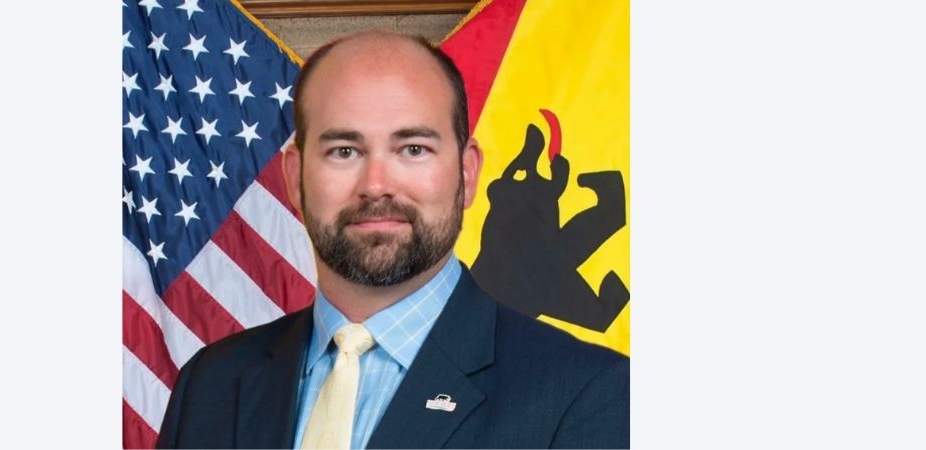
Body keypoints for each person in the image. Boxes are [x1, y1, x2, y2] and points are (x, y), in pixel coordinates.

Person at [156, 31, 629, 449]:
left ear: (466, 174)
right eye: (344, 151)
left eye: (413, 149)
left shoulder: (586, 394)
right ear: (295, 177)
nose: (376, 184)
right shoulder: (210, 384)